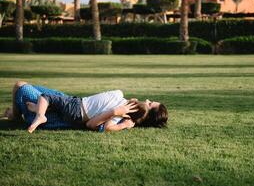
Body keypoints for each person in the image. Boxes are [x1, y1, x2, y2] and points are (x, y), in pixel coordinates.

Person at [4, 81, 168, 133]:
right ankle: (24, 112)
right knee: (24, 88)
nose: (146, 99)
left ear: (146, 114)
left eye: (149, 103)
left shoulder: (120, 115)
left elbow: (92, 124)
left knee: (20, 86)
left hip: (69, 111)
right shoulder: (122, 106)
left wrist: (117, 116)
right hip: (72, 101)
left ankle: (20, 115)